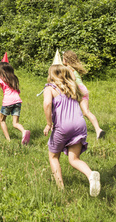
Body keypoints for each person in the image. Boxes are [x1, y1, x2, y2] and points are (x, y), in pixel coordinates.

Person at [42, 64, 101, 195]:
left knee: (53, 156)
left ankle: (61, 189)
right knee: (74, 159)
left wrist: (48, 123)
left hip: (63, 126)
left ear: (51, 75)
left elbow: (47, 104)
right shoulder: (72, 88)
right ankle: (91, 175)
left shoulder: (50, 88)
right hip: (80, 125)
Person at [0, 59, 31, 144]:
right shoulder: (14, 78)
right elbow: (18, 90)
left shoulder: (0, 79)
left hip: (8, 102)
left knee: (2, 120)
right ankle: (24, 131)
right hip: (17, 101)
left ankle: (8, 140)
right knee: (15, 123)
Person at [62, 50, 105, 139]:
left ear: (66, 60)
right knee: (86, 112)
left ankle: (68, 131)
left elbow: (73, 79)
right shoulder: (74, 68)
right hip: (83, 89)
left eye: (63, 58)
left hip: (76, 90)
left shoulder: (68, 68)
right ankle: (98, 130)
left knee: (69, 110)